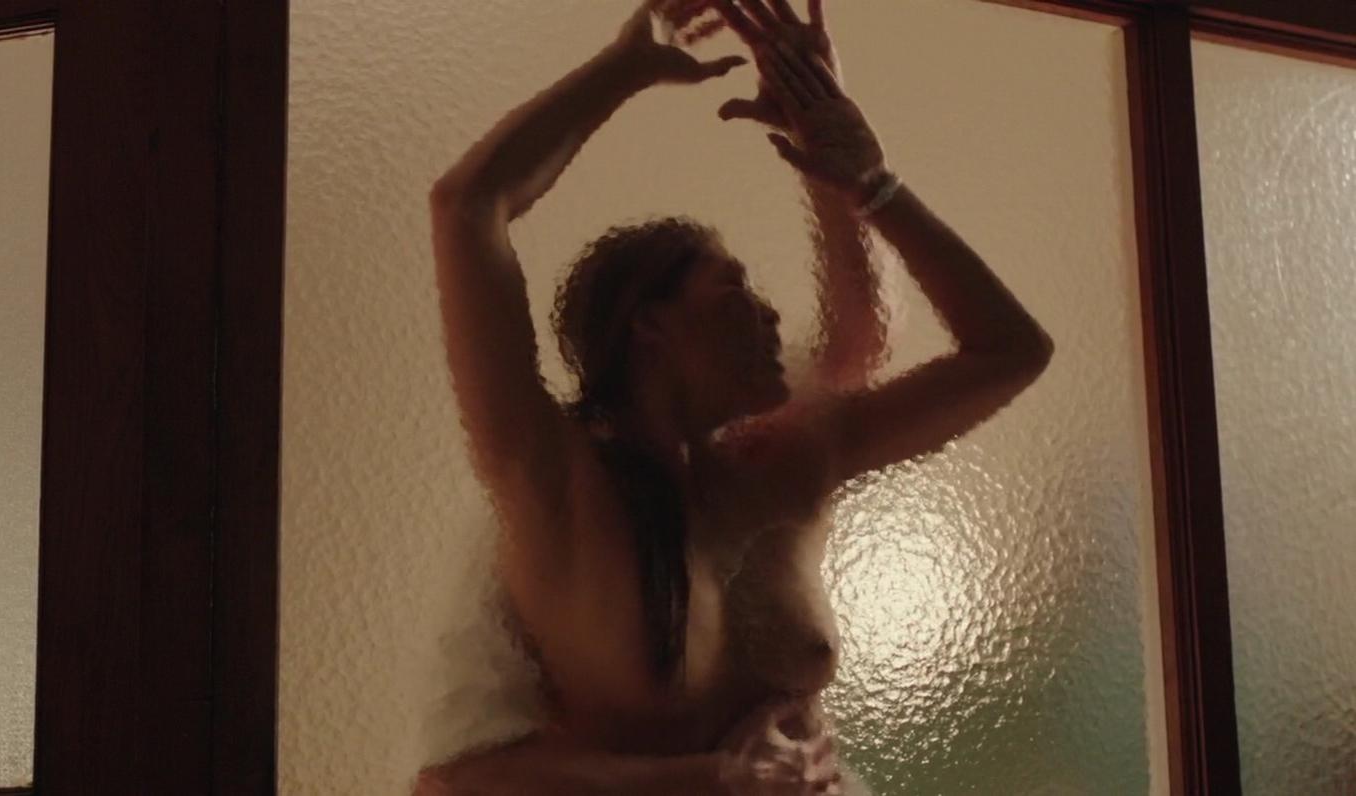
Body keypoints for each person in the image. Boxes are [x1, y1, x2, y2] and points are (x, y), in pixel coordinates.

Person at [419, 0, 1054, 792]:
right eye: (732, 290)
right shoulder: (557, 484)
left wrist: (867, 180)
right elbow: (466, 207)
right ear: (648, 324)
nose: (769, 313)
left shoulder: (786, 463)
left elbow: (1008, 351)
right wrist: (623, 68)